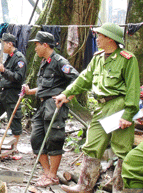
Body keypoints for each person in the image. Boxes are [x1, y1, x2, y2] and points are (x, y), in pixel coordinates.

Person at [54, 23, 140, 193]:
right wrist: (66, 93)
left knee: (121, 149)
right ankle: (84, 185)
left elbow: (133, 88)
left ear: (110, 38)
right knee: (91, 144)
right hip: (102, 107)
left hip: (119, 106)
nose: (97, 39)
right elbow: (84, 79)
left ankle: (119, 188)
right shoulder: (98, 57)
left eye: (100, 36)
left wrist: (129, 114)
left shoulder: (127, 59)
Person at [24, 31, 79, 188]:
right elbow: (45, 87)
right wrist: (30, 92)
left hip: (54, 106)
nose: (35, 49)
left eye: (37, 45)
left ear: (45, 45)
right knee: (36, 138)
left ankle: (53, 175)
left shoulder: (59, 62)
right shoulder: (44, 63)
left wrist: (67, 96)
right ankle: (47, 172)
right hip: (42, 106)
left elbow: (77, 79)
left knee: (54, 139)